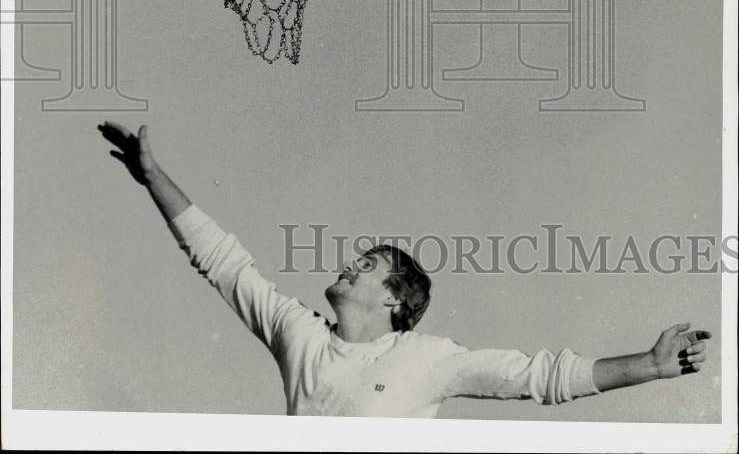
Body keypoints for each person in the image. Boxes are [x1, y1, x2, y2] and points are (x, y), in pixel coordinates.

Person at [98, 122, 712, 418]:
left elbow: (542, 376)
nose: (347, 266)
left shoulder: (430, 358)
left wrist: (652, 364)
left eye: (365, 265)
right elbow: (224, 263)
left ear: (395, 299)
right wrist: (154, 178)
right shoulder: (300, 335)